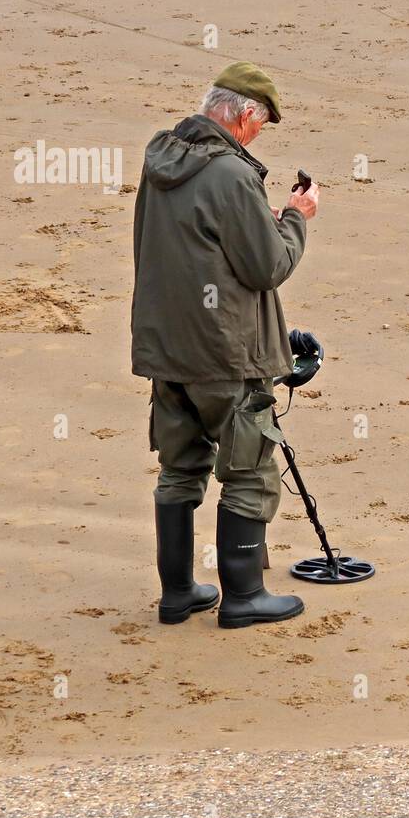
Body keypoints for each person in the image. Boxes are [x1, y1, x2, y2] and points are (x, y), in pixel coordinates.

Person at [131, 62, 319, 629]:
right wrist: (296, 216)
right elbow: (268, 266)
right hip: (224, 354)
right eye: (260, 124)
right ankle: (242, 596)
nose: (258, 135)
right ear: (241, 115)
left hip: (167, 346)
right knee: (250, 470)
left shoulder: (159, 155)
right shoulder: (232, 177)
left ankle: (178, 593)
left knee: (179, 467)